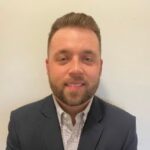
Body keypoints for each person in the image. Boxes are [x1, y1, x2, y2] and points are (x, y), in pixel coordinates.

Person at [6, 12, 137, 150]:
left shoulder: (124, 128)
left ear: (100, 67)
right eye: (63, 58)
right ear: (48, 66)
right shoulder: (20, 123)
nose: (75, 69)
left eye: (87, 59)